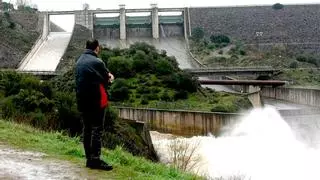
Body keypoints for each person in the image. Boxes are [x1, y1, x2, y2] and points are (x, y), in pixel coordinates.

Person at [75, 39, 114, 171]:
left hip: (82, 100)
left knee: (87, 129)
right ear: (97, 48)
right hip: (96, 101)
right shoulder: (98, 62)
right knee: (97, 129)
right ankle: (96, 160)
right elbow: (106, 79)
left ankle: (89, 159)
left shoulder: (79, 61)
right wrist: (111, 78)